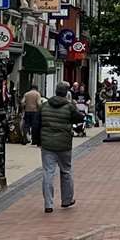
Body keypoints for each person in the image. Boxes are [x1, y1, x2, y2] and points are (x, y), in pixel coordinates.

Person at [39, 82, 80, 213]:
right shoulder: (69, 107)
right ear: (66, 92)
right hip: (64, 144)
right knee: (66, 171)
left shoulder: (45, 106)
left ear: (56, 91)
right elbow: (79, 118)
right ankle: (67, 200)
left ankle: (48, 204)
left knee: (48, 172)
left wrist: (37, 140)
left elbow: (37, 123)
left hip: (47, 144)